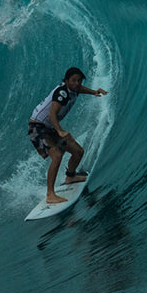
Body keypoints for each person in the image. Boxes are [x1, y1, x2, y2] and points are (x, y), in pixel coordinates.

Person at [27, 67, 108, 204]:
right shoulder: (62, 93)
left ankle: (70, 176)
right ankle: (50, 195)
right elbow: (52, 114)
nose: (77, 83)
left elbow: (80, 89)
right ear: (66, 81)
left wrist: (94, 92)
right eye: (74, 81)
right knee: (57, 156)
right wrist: (60, 131)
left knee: (78, 151)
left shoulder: (74, 89)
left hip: (49, 128)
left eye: (79, 80)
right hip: (37, 128)